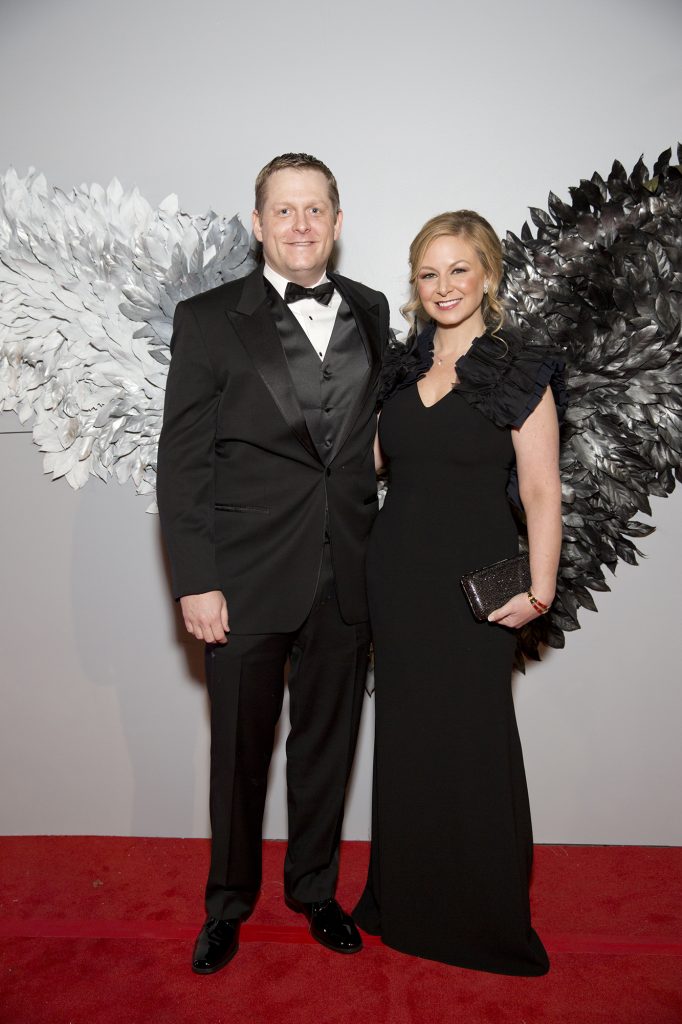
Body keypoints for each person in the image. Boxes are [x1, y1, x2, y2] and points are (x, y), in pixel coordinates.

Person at [156, 153, 390, 974]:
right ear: (258, 224)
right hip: (244, 576)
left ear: (337, 220)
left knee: (328, 747)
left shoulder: (372, 309)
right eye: (283, 210)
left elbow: (365, 438)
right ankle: (226, 906)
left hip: (347, 571)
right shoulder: (207, 319)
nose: (300, 225)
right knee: (239, 756)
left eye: (315, 209)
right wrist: (195, 580)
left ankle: (314, 890)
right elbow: (182, 463)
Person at [353, 210, 564, 975]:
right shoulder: (400, 371)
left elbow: (541, 491)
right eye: (428, 273)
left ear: (488, 275)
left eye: (458, 270)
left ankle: (482, 919)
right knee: (408, 742)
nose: (444, 286)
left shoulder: (518, 371)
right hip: (397, 581)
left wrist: (540, 589)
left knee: (474, 744)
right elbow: (363, 469)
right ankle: (405, 903)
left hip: (476, 590)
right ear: (416, 284)